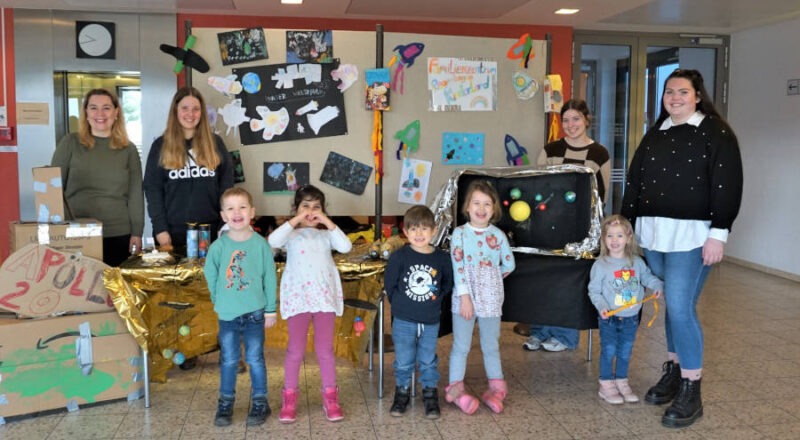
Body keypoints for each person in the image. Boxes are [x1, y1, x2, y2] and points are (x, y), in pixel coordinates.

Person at [621, 69, 743, 428]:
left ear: (697, 96)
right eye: (669, 92)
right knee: (670, 307)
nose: (674, 97)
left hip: (692, 236)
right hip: (653, 234)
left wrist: (718, 233)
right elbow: (634, 181)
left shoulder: (715, 133)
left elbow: (728, 183)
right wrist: (627, 225)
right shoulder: (656, 134)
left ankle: (692, 386)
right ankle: (674, 370)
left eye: (683, 92)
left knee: (679, 306)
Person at [523, 98, 611, 352]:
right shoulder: (551, 150)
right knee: (542, 281)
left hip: (580, 230)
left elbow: (601, 195)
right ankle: (539, 332)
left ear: (587, 120)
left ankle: (564, 337)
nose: (570, 125)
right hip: (547, 227)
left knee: (569, 284)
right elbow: (536, 186)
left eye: (576, 119)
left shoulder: (599, 153)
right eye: (566, 120)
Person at [267, 185, 353, 423]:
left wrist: (326, 221)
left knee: (325, 351)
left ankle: (330, 398)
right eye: (305, 206)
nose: (311, 211)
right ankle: (290, 398)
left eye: (317, 207)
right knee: (295, 351)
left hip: (323, 300)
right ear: (296, 209)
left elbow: (346, 246)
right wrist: (295, 220)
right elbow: (272, 240)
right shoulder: (291, 236)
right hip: (299, 299)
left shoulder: (327, 236)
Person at [204, 187, 277, 427]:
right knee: (229, 360)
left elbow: (269, 278)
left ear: (252, 212)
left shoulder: (261, 245)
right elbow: (211, 275)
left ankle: (260, 401)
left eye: (242, 207)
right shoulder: (218, 248)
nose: (237, 212)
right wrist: (218, 300)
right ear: (224, 215)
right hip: (228, 316)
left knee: (255, 359)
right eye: (231, 208)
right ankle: (225, 402)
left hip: (256, 312)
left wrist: (270, 309)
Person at [51, 88, 144, 267]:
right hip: (77, 233)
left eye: (106, 108)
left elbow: (135, 195)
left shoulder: (129, 150)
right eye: (93, 108)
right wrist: (54, 231)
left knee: (113, 293)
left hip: (118, 233)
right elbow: (53, 189)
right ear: (85, 112)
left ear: (116, 113)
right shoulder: (70, 143)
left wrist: (137, 232)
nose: (100, 114)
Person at [446, 180, 516, 414]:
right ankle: (455, 388)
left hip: (491, 298)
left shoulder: (498, 235)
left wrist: (491, 279)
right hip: (465, 297)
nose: (482, 208)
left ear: (494, 208)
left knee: (490, 345)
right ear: (467, 207)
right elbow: (458, 267)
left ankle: (496, 388)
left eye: (487, 204)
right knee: (461, 346)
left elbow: (509, 264)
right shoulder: (460, 234)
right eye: (476, 202)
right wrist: (466, 295)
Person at [143, 86, 234, 253]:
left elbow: (227, 188)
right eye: (184, 108)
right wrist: (160, 229)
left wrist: (224, 226)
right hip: (172, 234)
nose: (190, 114)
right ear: (175, 111)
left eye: (196, 109)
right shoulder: (160, 146)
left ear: (202, 113)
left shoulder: (216, 143)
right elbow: (152, 190)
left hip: (212, 232)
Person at [384, 205, 453, 419]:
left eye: (424, 229)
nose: (419, 234)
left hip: (430, 320)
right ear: (405, 232)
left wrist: (437, 299)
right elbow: (390, 285)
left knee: (428, 360)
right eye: (413, 229)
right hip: (403, 319)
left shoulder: (441, 258)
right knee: (403, 360)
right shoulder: (399, 257)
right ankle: (402, 393)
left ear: (433, 230)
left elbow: (448, 283)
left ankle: (430, 395)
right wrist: (399, 305)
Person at [588, 215, 663, 404]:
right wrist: (602, 307)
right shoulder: (601, 265)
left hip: (631, 318)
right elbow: (594, 291)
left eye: (619, 236)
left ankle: (621, 381)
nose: (614, 240)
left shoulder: (636, 262)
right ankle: (606, 384)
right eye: (610, 236)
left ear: (629, 237)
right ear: (604, 238)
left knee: (625, 351)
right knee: (609, 350)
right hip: (609, 319)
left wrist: (657, 285)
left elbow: (647, 278)